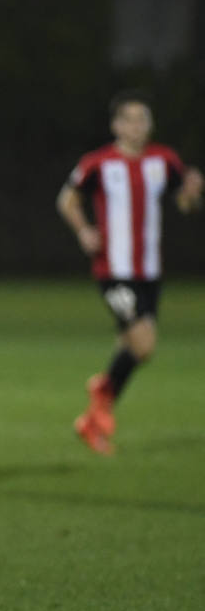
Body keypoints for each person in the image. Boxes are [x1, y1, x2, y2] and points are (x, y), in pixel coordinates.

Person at [56, 90, 203, 455]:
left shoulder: (164, 160)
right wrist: (84, 231)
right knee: (144, 344)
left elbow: (185, 203)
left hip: (150, 272)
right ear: (117, 125)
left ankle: (93, 420)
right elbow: (67, 200)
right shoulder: (99, 163)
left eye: (143, 119)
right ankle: (101, 397)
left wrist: (193, 192)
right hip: (113, 270)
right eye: (130, 119)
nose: (138, 126)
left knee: (134, 348)